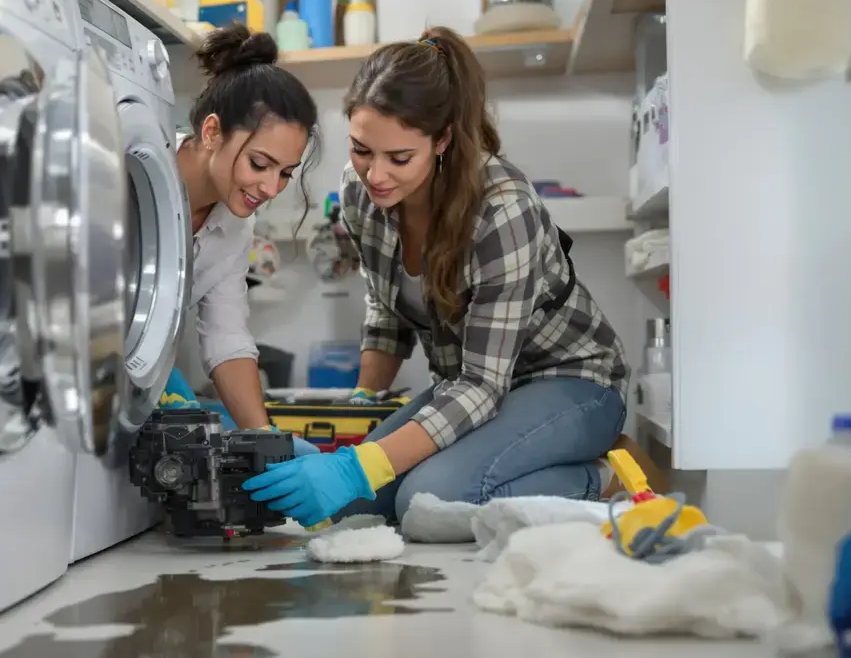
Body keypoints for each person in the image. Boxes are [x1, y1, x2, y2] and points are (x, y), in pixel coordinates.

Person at [243, 27, 642, 527]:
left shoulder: (503, 210)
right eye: (362, 149)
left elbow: (481, 385)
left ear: (442, 141)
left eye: (400, 158)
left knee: (429, 501)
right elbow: (386, 309)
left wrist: (359, 464)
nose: (376, 175)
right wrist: (361, 410)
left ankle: (602, 477)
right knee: (358, 505)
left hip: (572, 382)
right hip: (473, 386)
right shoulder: (359, 192)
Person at [156, 25, 321, 455]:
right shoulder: (136, 174)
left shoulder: (233, 223)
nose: (270, 188)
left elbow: (226, 336)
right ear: (211, 133)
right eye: (260, 163)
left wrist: (265, 443)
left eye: (285, 173)